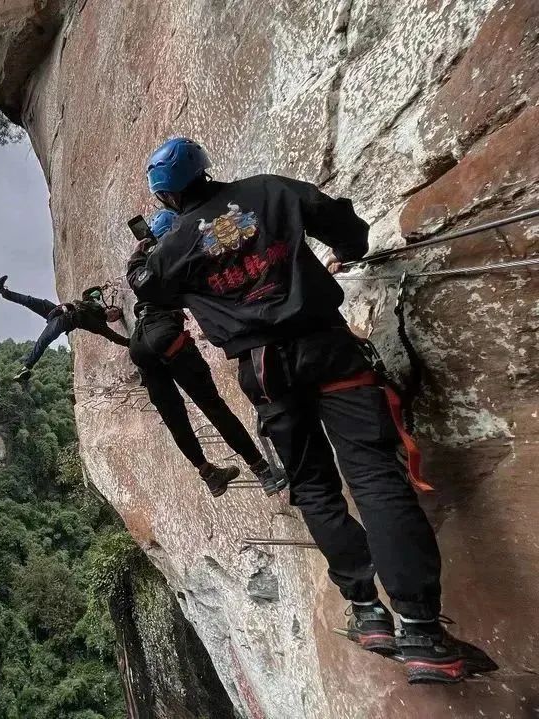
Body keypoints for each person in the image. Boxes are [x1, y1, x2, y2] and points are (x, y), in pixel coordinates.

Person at [127, 137, 493, 684]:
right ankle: (421, 631)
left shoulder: (174, 246)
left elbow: (146, 285)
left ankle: (367, 612)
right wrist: (344, 248)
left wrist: (148, 247)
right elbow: (348, 229)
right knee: (374, 476)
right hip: (326, 347)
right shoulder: (269, 191)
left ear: (166, 196)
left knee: (313, 486)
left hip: (264, 371)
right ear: (205, 167)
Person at [129, 209, 282, 498]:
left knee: (175, 419)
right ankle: (263, 471)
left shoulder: (147, 264)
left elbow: (135, 277)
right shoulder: (182, 254)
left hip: (140, 345)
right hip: (169, 337)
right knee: (213, 407)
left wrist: (137, 254)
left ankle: (209, 474)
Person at [0, 277, 127, 381]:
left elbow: (115, 337)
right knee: (29, 301)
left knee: (42, 341)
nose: (114, 315)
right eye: (115, 311)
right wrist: (101, 288)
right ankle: (2, 291)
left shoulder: (100, 325)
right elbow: (86, 293)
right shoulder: (93, 304)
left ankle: (26, 368)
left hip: (63, 322)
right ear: (111, 307)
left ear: (111, 321)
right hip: (57, 310)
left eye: (116, 317)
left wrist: (129, 342)